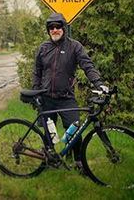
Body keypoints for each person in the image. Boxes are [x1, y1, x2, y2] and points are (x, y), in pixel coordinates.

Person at [32, 12, 108, 175]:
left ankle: (79, 161)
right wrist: (35, 92)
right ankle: (50, 158)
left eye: (58, 26)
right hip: (46, 97)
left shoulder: (75, 46)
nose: (55, 30)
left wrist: (99, 83)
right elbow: (37, 72)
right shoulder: (43, 48)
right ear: (48, 30)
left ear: (64, 28)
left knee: (74, 130)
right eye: (51, 27)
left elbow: (87, 66)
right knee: (48, 132)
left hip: (66, 97)